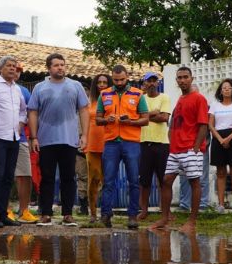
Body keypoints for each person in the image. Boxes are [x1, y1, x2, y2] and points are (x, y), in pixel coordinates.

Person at [28, 53, 89, 227]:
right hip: (46, 140)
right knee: (47, 177)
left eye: (62, 64)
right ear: (49, 68)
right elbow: (32, 112)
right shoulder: (40, 87)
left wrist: (84, 135)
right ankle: (46, 214)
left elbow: (84, 110)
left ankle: (68, 214)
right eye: (56, 65)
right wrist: (33, 137)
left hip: (69, 140)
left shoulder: (75, 86)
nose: (60, 68)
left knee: (68, 177)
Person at [150, 67, 208, 233]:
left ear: (191, 78)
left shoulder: (199, 98)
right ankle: (165, 217)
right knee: (167, 180)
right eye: (179, 78)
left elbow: (203, 125)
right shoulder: (181, 99)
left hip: (191, 148)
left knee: (194, 182)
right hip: (175, 149)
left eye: (185, 77)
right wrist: (171, 142)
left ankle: (192, 221)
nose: (182, 80)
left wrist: (196, 148)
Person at [96, 65, 149, 229]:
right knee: (108, 181)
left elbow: (145, 119)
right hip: (111, 142)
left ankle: (132, 216)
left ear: (128, 77)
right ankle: (105, 215)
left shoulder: (138, 94)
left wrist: (130, 122)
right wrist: (107, 120)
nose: (119, 82)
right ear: (113, 78)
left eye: (122, 79)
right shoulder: (104, 94)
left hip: (131, 142)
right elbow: (98, 119)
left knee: (133, 181)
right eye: (116, 80)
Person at [0, 56, 26, 228]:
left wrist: (20, 125)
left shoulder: (17, 89)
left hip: (13, 137)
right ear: (0, 69)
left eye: (14, 66)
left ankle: (3, 213)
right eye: (9, 66)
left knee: (9, 177)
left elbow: (23, 111)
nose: (12, 69)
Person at [208, 78, 232, 213]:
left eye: (229, 87)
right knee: (220, 172)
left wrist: (229, 138)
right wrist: (220, 139)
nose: (226, 89)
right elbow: (210, 125)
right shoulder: (214, 105)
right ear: (220, 90)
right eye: (224, 87)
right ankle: (220, 205)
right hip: (218, 138)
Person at [138, 72, 171, 220]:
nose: (151, 83)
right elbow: (137, 118)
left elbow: (164, 118)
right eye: (148, 81)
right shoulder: (141, 99)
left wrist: (146, 116)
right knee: (144, 181)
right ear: (144, 84)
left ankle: (166, 212)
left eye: (154, 81)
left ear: (158, 83)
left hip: (162, 144)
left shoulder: (164, 98)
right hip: (144, 143)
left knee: (163, 180)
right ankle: (144, 210)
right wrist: (153, 113)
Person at [13, 63, 39, 223]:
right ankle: (5, 210)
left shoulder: (23, 91)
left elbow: (31, 113)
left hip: (21, 138)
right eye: (12, 69)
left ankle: (24, 210)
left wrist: (33, 137)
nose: (15, 73)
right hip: (1, 137)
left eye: (18, 71)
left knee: (26, 174)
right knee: (4, 176)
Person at [85, 73, 112, 223]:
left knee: (107, 181)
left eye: (105, 82)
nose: (102, 85)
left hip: (109, 145)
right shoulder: (89, 103)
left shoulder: (113, 101)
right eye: (99, 82)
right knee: (92, 182)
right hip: (92, 145)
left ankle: (106, 213)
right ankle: (93, 214)